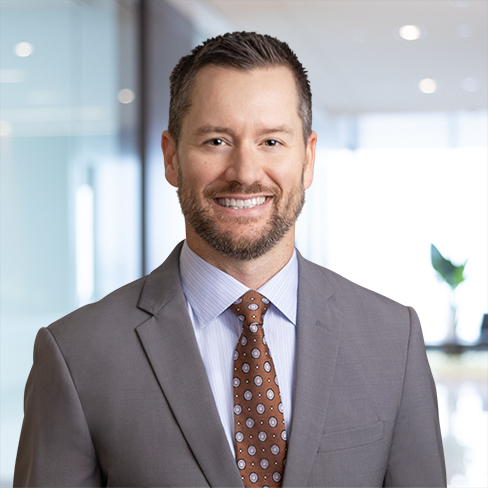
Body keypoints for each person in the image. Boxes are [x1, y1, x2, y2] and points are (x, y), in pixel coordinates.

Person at [14, 32, 446, 488]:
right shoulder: (77, 355)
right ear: (171, 158)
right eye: (217, 140)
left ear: (309, 158)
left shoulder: (392, 341)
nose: (244, 172)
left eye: (272, 142)